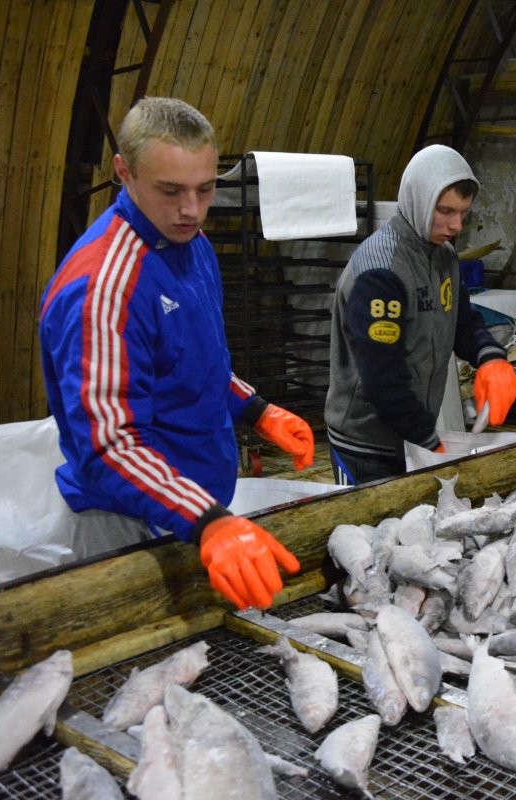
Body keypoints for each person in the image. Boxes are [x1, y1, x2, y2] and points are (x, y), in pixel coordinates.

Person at [39, 97, 313, 610]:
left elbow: (196, 357)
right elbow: (109, 445)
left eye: (205, 189)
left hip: (193, 511)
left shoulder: (191, 244)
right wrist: (208, 522)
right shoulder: (103, 288)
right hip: (127, 524)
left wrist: (255, 409)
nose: (191, 209)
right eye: (170, 191)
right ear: (125, 173)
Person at [325, 144, 516, 485]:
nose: (456, 224)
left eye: (463, 212)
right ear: (419, 199)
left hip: (412, 438)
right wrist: (433, 446)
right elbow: (382, 380)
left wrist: (490, 357)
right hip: (366, 447)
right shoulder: (381, 272)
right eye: (445, 211)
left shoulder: (443, 255)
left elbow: (462, 321)